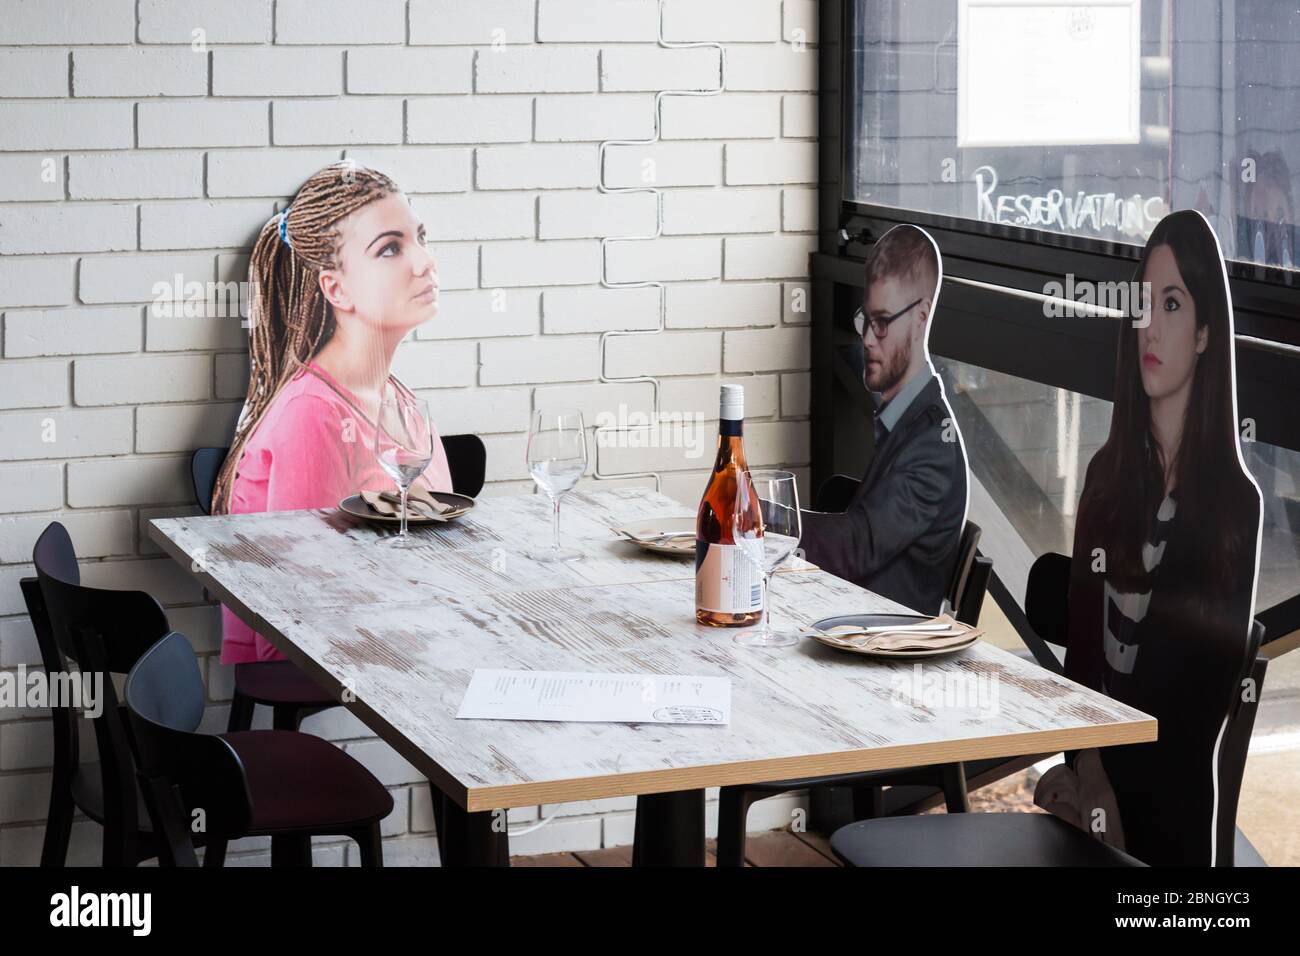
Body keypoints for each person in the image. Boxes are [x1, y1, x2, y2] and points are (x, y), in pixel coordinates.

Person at [1037, 209, 1263, 865]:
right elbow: (1081, 658)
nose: (1150, 328)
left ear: (1202, 335)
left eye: (1172, 304)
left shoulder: (1233, 506)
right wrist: (1087, 775)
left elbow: (1190, 715)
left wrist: (1100, 792)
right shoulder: (1107, 478)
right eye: (1143, 305)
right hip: (1091, 788)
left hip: (1169, 821)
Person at [210, 163, 453, 665]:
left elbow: (437, 542)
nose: (424, 262)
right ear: (336, 289)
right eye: (391, 248)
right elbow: (303, 610)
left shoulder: (402, 401)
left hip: (404, 630)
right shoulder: (312, 415)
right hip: (322, 657)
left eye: (420, 238)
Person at [799, 224, 968, 615]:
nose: (868, 339)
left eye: (883, 322)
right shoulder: (906, 420)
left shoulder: (933, 445)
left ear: (922, 316)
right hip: (851, 629)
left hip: (883, 655)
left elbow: (854, 548)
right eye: (866, 320)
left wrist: (764, 518)